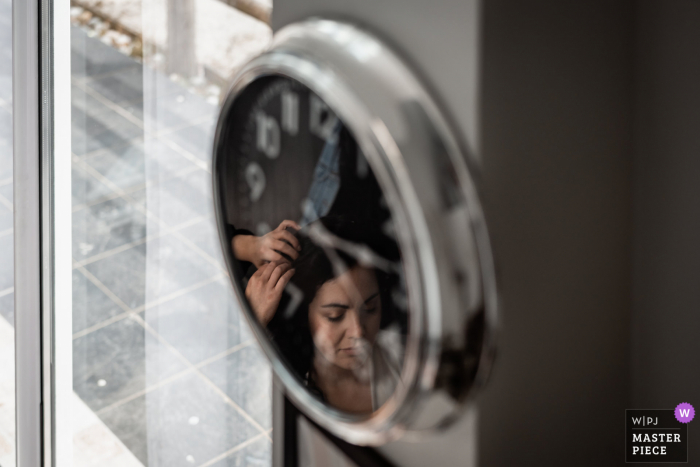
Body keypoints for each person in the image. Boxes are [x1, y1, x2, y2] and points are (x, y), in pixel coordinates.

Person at [244, 223, 403, 414]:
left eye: (370, 308)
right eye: (335, 316)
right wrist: (253, 323)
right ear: (303, 314)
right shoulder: (278, 386)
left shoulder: (403, 361)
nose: (358, 331)